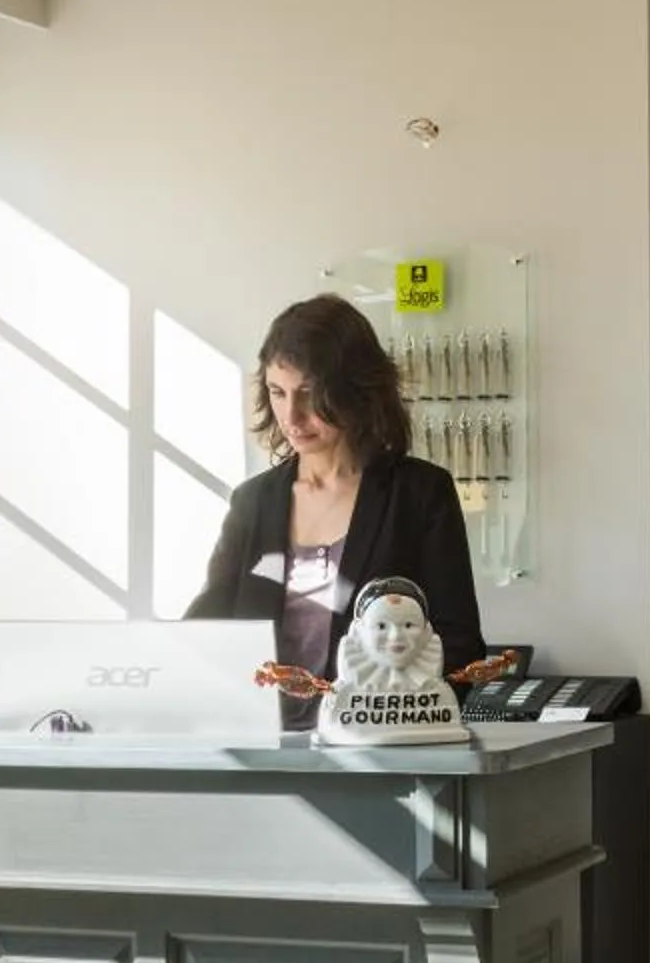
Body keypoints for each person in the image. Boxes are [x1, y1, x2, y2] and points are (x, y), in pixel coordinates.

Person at [185, 293, 485, 730]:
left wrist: (398, 722)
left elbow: (459, 643)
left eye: (309, 393)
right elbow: (205, 630)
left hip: (378, 749)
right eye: (277, 392)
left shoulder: (420, 493)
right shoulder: (252, 501)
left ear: (354, 388)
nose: (292, 415)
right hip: (260, 741)